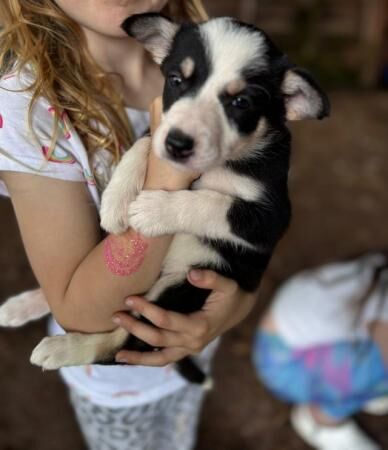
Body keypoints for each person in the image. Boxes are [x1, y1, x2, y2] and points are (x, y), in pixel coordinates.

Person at [0, 1, 258, 449]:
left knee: (179, 433)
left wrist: (236, 306)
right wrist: (167, 174)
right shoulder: (26, 109)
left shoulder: (216, 49)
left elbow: (255, 218)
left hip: (197, 337)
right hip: (114, 379)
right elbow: (82, 314)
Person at [253, 251, 388, 450]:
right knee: (382, 372)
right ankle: (322, 418)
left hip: (288, 341)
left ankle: (364, 390)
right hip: (284, 364)